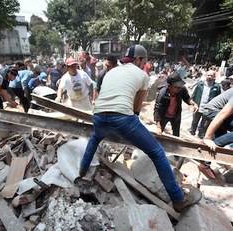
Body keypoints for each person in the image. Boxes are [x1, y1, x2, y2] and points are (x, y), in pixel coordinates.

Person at [79, 44, 202, 213]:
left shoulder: (111, 71)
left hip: (99, 116)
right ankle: (178, 198)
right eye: (144, 61)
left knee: (95, 139)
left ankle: (81, 172)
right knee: (157, 152)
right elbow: (136, 109)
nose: (145, 64)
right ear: (138, 59)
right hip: (122, 118)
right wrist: (129, 130)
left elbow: (104, 95)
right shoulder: (142, 75)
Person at [189, 70, 221, 138]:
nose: (209, 77)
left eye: (211, 76)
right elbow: (194, 94)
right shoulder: (200, 84)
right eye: (208, 75)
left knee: (205, 123)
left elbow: (219, 98)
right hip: (198, 106)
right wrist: (192, 104)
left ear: (214, 77)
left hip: (207, 108)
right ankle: (192, 132)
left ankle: (201, 135)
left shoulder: (216, 86)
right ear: (206, 76)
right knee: (195, 120)